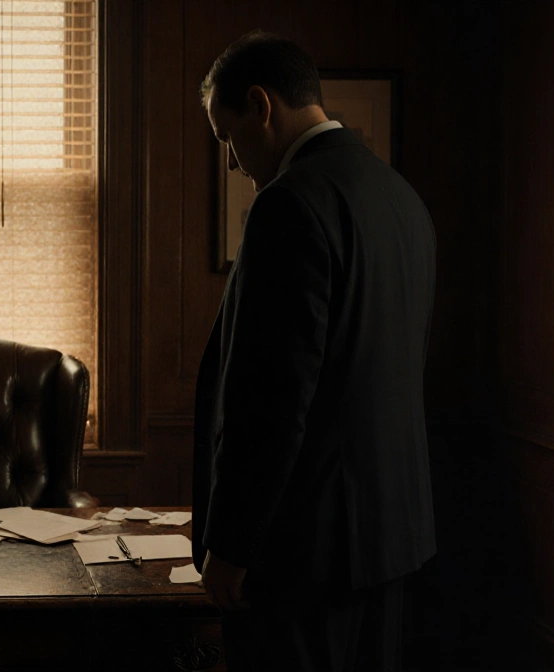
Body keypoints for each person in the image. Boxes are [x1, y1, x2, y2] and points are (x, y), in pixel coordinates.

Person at [193, 30, 437, 671]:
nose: (234, 163)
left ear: (261, 104)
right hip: (391, 544)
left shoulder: (289, 205)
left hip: (305, 556)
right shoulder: (402, 200)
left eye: (228, 138)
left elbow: (272, 400)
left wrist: (232, 546)